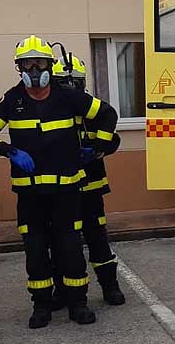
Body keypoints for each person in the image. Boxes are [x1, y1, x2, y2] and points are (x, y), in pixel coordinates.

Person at [0, 35, 118, 328]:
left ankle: (78, 304)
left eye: (39, 63)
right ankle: (41, 307)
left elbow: (107, 115)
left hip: (66, 189)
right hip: (31, 193)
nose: (34, 70)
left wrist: (97, 148)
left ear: (50, 66)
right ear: (19, 67)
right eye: (28, 64)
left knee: (70, 247)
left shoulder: (68, 96)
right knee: (35, 249)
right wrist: (8, 151)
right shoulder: (13, 99)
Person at [47, 54, 126, 309]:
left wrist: (97, 149)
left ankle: (110, 286)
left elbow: (113, 140)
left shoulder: (94, 111)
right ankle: (62, 291)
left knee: (97, 240)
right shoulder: (47, 110)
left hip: (91, 189)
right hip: (59, 191)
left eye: (75, 83)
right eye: (64, 83)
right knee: (61, 243)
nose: (71, 88)